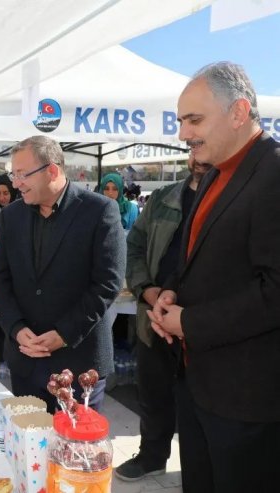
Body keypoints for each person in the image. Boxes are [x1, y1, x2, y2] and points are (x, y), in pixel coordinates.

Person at [148, 62, 280, 493]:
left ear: (239, 112)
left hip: (247, 402)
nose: (184, 133)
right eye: (182, 121)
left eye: (194, 120)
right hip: (197, 384)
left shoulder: (274, 174)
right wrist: (169, 293)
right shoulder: (213, 174)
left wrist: (189, 323)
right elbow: (195, 259)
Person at [0, 135, 125, 413]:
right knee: (30, 446)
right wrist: (15, 328)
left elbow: (107, 284)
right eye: (13, 175)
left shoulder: (99, 211)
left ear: (52, 170)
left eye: (22, 174)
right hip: (25, 359)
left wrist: (64, 334)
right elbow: (0, 278)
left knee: (73, 453)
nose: (16, 183)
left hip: (78, 363)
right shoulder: (11, 216)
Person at [114, 154, 212, 482]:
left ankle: (200, 467)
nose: (198, 155)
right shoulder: (163, 198)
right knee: (153, 391)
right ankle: (152, 456)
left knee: (200, 403)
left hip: (203, 323)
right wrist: (148, 290)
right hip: (154, 316)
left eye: (203, 144)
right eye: (192, 147)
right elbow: (135, 247)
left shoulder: (232, 200)